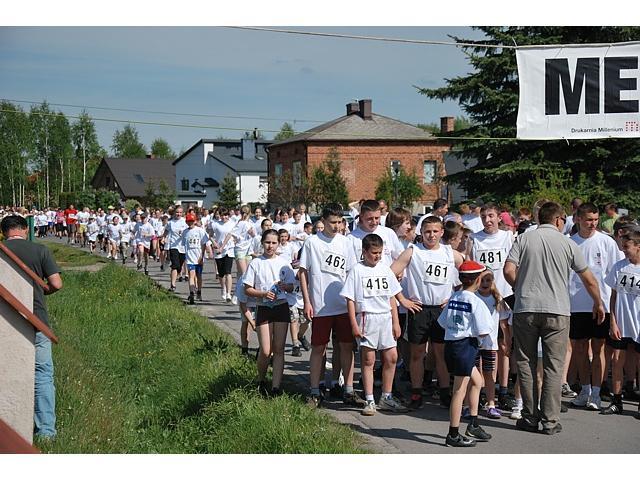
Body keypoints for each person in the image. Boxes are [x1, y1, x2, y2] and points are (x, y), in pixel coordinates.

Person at [503, 201, 605, 435]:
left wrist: (521, 288)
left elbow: (508, 270)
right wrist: (598, 302)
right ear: (558, 219)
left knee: (526, 364)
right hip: (557, 310)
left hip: (526, 308)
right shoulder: (567, 243)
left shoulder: (524, 239)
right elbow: (589, 279)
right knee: (553, 366)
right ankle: (550, 420)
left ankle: (529, 417)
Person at [391, 215, 464, 410]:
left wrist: (455, 297)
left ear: (442, 232)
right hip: (419, 309)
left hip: (442, 310)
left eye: (435, 231)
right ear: (421, 233)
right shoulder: (413, 251)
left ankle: (444, 392)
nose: (431, 235)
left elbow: (472, 274)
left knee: (440, 353)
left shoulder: (450, 253)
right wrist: (402, 299)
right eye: (427, 232)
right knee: (417, 354)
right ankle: (416, 392)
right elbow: (388, 275)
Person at [1, 215, 63, 439]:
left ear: (4, 232)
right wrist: (44, 290)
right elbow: (56, 283)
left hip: (3, 323)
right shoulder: (40, 251)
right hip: (35, 321)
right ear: (25, 230)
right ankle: (46, 431)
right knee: (42, 375)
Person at [298, 203, 361, 408]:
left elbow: (352, 273)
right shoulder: (312, 242)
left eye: (340, 222)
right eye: (332, 222)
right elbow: (303, 272)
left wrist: (353, 302)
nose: (336, 226)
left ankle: (348, 389)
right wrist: (307, 301)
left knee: (346, 346)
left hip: (342, 304)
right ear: (323, 222)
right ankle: (315, 390)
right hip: (320, 305)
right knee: (319, 347)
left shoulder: (346, 242)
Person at [340, 233, 408, 416]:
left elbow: (392, 297)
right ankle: (369, 399)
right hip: (367, 318)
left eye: (379, 253)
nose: (377, 256)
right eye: (374, 253)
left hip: (385, 318)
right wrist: (354, 324)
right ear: (364, 252)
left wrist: (395, 322)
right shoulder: (357, 270)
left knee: (391, 357)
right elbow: (350, 299)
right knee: (368, 359)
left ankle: (386, 396)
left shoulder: (385, 270)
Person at [568, 203, 623, 411]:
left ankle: (597, 393)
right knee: (580, 348)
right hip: (576, 304)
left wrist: (607, 304)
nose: (592, 223)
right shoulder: (570, 243)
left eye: (595, 219)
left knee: (599, 348)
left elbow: (614, 274)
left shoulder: (606, 242)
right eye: (588, 220)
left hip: (601, 305)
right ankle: (584, 389)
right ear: (578, 219)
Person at [437, 260, 494, 447]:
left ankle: (473, 424)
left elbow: (442, 322)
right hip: (465, 346)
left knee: (478, 381)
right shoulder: (476, 302)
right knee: (459, 391)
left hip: (453, 345)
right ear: (478, 280)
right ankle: (453, 434)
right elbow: (484, 330)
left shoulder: (454, 297)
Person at [244, 229, 296, 396]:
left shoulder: (284, 263)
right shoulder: (256, 263)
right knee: (266, 351)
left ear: (278, 244)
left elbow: (292, 286)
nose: (270, 246)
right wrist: (263, 294)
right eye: (267, 242)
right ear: (262, 243)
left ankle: (275, 387)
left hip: (281, 307)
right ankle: (261, 379)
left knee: (279, 349)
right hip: (264, 307)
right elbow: (247, 289)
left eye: (274, 243)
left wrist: (285, 286)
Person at [602, 230, 640, 417]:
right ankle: (616, 401)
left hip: (638, 323)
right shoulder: (619, 266)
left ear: (638, 246)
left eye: (626, 247)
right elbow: (613, 296)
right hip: (622, 322)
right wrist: (613, 322)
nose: (623, 250)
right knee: (617, 360)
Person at [182, 212, 212, 304]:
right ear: (186, 222)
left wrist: (203, 255)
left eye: (192, 221)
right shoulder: (185, 232)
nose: (190, 223)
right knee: (191, 275)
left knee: (198, 276)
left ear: (195, 221)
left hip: (198, 257)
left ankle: (199, 291)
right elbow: (184, 245)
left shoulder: (200, 231)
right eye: (188, 221)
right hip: (190, 257)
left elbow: (204, 243)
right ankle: (191, 293)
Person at [163, 207, 188, 291]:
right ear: (174, 213)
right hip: (173, 246)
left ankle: (176, 275)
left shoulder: (185, 221)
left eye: (180, 212)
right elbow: (166, 231)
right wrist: (164, 238)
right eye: (177, 212)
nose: (178, 214)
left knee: (179, 267)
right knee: (175, 265)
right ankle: (173, 285)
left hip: (183, 247)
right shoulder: (170, 223)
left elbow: (189, 230)